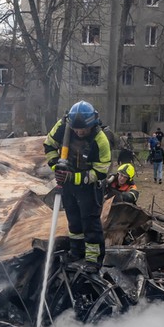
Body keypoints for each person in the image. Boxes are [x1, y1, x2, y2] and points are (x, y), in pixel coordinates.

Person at [43, 100, 111, 272]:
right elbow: (49, 145)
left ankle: (93, 259)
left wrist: (74, 177)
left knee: (90, 222)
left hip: (89, 186)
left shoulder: (100, 140)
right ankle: (76, 251)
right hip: (67, 184)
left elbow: (101, 172)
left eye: (83, 130)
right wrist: (55, 167)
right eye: (76, 129)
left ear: (92, 124)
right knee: (73, 220)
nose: (79, 132)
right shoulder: (63, 127)